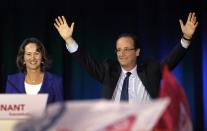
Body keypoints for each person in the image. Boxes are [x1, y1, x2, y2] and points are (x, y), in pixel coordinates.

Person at [54, 12, 198, 102]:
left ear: (137, 52)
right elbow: (87, 62)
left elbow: (171, 60)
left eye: (126, 49)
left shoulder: (151, 69)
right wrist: (69, 40)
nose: (121, 54)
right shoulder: (108, 70)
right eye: (118, 50)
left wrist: (186, 38)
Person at [5, 37, 63, 104]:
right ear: (23, 59)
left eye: (36, 53)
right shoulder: (11, 81)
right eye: (29, 54)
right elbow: (8, 110)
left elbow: (61, 110)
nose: (33, 58)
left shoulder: (55, 81)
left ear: (42, 58)